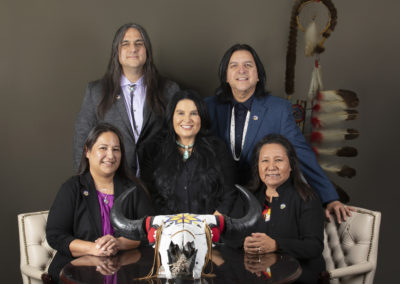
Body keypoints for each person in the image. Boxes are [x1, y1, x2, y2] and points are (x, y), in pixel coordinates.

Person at [205, 43, 352, 222]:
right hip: (217, 205)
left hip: (262, 206)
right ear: (225, 76)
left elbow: (302, 154)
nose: (241, 70)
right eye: (234, 66)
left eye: (248, 65)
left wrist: (330, 198)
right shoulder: (208, 107)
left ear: (258, 75)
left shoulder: (279, 110)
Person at [46, 123, 153, 282]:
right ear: (87, 151)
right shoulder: (72, 188)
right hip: (76, 271)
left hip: (126, 272)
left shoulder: (134, 190)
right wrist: (94, 249)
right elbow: (55, 235)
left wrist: (118, 243)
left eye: (116, 149)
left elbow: (150, 231)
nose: (110, 155)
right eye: (103, 148)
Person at [74, 23, 179, 175]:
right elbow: (81, 140)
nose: (133, 49)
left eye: (139, 43)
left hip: (159, 186)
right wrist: (85, 185)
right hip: (113, 184)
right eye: (125, 44)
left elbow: (179, 140)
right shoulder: (96, 91)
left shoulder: (169, 90)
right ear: (116, 52)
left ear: (147, 51)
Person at [242, 134, 325, 283]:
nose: (271, 167)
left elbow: (314, 247)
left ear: (291, 165)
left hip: (299, 276)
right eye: (265, 161)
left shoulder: (307, 197)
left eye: (278, 160)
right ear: (258, 166)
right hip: (260, 275)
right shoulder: (250, 197)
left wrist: (276, 244)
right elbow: (232, 234)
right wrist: (245, 242)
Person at [141, 90, 235, 215]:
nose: (187, 119)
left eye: (194, 113)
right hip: (166, 229)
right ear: (171, 116)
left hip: (210, 229)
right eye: (180, 113)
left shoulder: (218, 148)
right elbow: (148, 196)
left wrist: (212, 225)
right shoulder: (153, 149)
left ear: (201, 116)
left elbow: (229, 193)